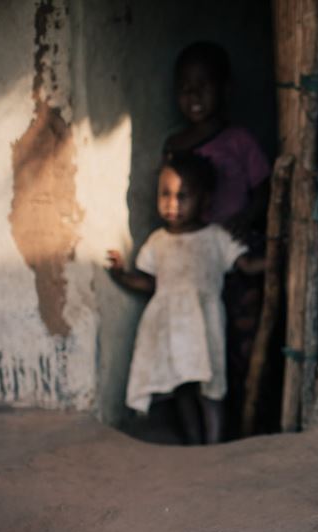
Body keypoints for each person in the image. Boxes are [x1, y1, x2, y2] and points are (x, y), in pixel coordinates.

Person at [107, 154, 265, 445]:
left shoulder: (216, 237)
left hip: (205, 324)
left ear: (205, 200)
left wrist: (279, 255)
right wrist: (120, 275)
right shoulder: (157, 241)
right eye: (165, 194)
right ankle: (194, 444)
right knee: (182, 386)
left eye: (183, 196)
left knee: (211, 384)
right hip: (169, 324)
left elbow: (246, 265)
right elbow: (149, 282)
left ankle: (214, 443)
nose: (172, 204)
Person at [164, 41, 272, 434]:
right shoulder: (175, 147)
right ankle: (210, 426)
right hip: (197, 262)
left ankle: (248, 420)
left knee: (241, 343)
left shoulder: (239, 140)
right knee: (202, 343)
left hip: (239, 253)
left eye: (203, 85)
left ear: (225, 90)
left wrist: (247, 217)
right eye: (184, 86)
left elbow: (263, 188)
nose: (192, 95)